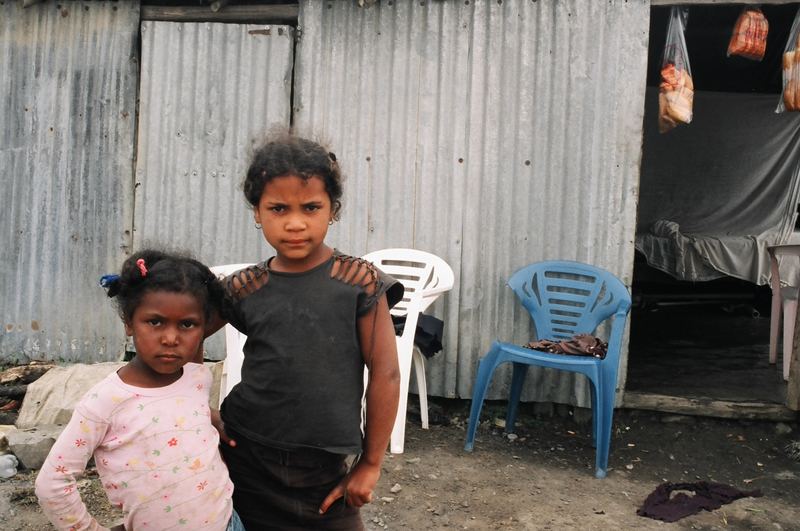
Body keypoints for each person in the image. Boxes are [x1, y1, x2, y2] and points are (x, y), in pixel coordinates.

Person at [211, 132, 402, 530]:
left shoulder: (358, 282)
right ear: (256, 212)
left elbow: (386, 373)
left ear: (332, 209)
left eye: (311, 207)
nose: (295, 223)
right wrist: (196, 409)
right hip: (245, 458)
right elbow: (184, 330)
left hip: (324, 472)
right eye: (278, 208)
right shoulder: (246, 287)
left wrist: (369, 464)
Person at [35, 250, 244, 531]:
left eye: (187, 324)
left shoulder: (196, 375)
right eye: (155, 322)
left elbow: (177, 409)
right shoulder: (105, 401)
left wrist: (209, 416)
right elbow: (52, 483)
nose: (171, 338)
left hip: (228, 523)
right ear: (129, 323)